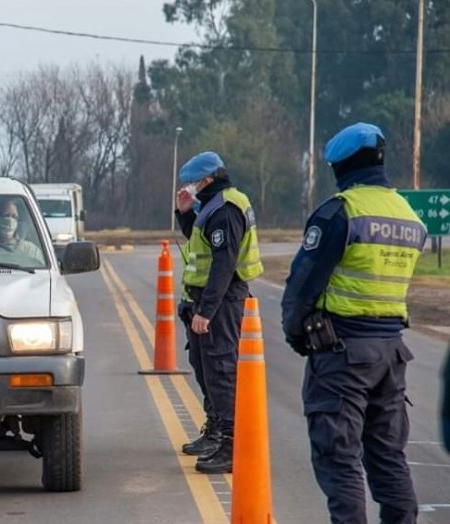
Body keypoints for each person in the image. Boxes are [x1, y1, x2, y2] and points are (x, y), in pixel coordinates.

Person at [281, 122, 426, 524]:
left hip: (343, 354)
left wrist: (297, 334)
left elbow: (302, 285)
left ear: (339, 167)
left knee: (339, 457)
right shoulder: (409, 217)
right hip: (392, 354)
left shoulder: (341, 212)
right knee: (387, 457)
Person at [174, 151, 263, 474]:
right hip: (205, 300)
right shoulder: (211, 206)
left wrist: (207, 311)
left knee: (222, 371)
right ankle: (214, 431)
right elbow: (202, 246)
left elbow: (224, 264)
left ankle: (230, 443)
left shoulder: (226, 209)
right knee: (204, 367)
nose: (191, 188)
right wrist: (184, 213)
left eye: (195, 183)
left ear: (208, 180)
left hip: (222, 302)